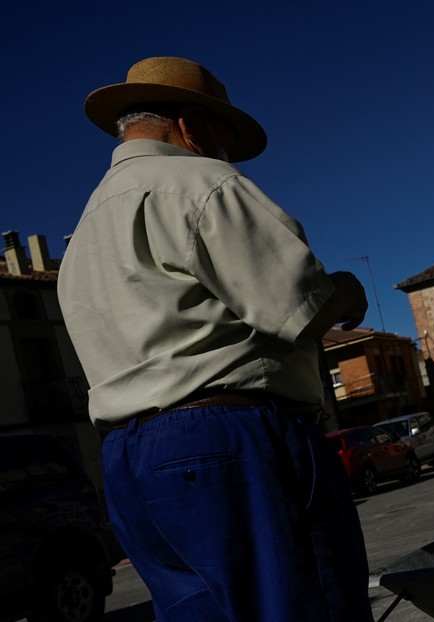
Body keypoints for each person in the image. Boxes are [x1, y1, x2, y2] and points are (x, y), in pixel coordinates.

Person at [57, 57, 374, 622]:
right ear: (193, 126)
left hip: (129, 463)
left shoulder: (83, 232)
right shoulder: (201, 183)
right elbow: (300, 307)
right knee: (302, 607)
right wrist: (348, 293)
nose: (225, 154)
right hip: (229, 441)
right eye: (223, 139)